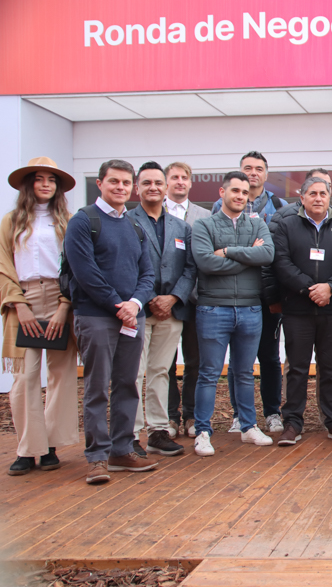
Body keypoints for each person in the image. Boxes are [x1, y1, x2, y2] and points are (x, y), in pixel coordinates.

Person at [65, 159, 157, 484]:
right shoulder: (83, 221)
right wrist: (118, 305)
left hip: (132, 318)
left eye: (125, 183)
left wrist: (135, 303)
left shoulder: (135, 226)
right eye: (114, 181)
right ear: (100, 183)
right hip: (96, 317)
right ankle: (97, 457)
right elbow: (85, 272)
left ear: (132, 187)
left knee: (127, 385)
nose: (120, 187)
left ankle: (121, 450)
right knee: (97, 388)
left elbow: (148, 273)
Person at [1, 157, 78, 476]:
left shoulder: (69, 221)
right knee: (25, 377)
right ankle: (27, 448)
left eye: (51, 179)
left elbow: (76, 265)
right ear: (28, 184)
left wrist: (64, 306)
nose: (45, 184)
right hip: (23, 299)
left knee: (61, 374)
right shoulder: (11, 221)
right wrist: (18, 304)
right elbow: (3, 265)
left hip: (60, 298)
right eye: (39, 178)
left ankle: (51, 446)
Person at [271, 176, 332, 446]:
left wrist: (330, 287)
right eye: (312, 193)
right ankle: (292, 422)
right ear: (302, 197)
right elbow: (281, 262)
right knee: (297, 369)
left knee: (330, 368)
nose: (318, 198)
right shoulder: (287, 225)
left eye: (323, 193)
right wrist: (310, 289)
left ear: (329, 197)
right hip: (297, 309)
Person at [191, 171, 276, 456]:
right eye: (235, 190)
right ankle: (203, 432)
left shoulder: (258, 224)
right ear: (222, 192)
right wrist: (248, 256)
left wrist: (227, 251)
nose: (240, 196)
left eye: (244, 192)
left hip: (250, 308)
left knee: (245, 372)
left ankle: (248, 426)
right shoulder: (204, 225)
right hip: (213, 308)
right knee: (209, 373)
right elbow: (206, 263)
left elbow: (267, 255)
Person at [213, 152, 288, 434]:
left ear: (266, 174)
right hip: (234, 292)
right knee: (238, 360)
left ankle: (272, 412)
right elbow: (216, 249)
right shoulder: (220, 206)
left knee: (269, 356)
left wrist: (245, 251)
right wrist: (251, 251)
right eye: (248, 168)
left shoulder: (280, 206)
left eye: (259, 169)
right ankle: (238, 415)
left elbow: (274, 252)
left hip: (267, 294)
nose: (253, 173)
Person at [129, 162, 196, 457]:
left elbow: (191, 269)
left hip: (172, 312)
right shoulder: (126, 222)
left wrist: (173, 298)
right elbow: (124, 268)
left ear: (165, 187)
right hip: (138, 311)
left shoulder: (182, 228)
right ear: (137, 188)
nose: (153, 187)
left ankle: (158, 431)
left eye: (158, 183)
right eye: (147, 183)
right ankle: (130, 434)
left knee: (160, 372)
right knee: (133, 373)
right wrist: (147, 299)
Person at [163, 161, 211, 440]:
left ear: (191, 183)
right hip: (164, 303)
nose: (179, 181)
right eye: (174, 177)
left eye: (184, 177)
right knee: (165, 364)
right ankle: (169, 417)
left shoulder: (204, 215)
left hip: (195, 300)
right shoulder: (154, 212)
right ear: (166, 182)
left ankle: (191, 415)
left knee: (195, 362)